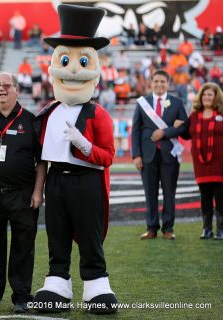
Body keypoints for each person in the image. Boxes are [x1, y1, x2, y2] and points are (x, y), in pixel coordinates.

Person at [32, 4, 118, 314]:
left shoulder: (99, 114)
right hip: (56, 181)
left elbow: (108, 156)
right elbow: (41, 156)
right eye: (65, 60)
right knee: (57, 234)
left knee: (90, 234)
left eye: (82, 62)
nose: (71, 70)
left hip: (87, 181)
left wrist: (85, 146)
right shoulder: (48, 113)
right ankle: (57, 283)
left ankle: (96, 284)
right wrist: (39, 189)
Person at [0, 71, 45, 314]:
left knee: (23, 247)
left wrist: (38, 192)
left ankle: (22, 296)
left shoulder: (31, 120)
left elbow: (41, 162)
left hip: (22, 194)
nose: (1, 89)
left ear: (17, 89)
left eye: (6, 85)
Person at [131, 70, 189, 240]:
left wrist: (166, 132)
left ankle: (168, 229)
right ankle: (151, 228)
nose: (159, 84)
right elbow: (135, 130)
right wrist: (136, 155)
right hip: (147, 155)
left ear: (168, 83)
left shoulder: (177, 103)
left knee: (169, 193)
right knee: (150, 193)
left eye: (162, 81)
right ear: (151, 82)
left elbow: (186, 129)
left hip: (169, 156)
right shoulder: (143, 103)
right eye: (156, 81)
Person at [177, 83, 223, 240]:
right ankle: (207, 229)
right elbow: (186, 134)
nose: (207, 98)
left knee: (220, 198)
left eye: (210, 95)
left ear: (216, 97)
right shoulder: (194, 116)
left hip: (220, 165)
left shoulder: (222, 114)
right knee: (205, 198)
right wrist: (178, 125)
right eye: (204, 95)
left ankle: (221, 230)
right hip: (201, 165)